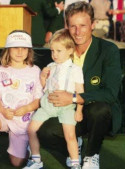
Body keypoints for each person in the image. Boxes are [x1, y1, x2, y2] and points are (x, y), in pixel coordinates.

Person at [37, 2, 122, 169]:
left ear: (93, 24)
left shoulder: (108, 50)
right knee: (44, 131)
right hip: (68, 113)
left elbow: (111, 93)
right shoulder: (61, 50)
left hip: (94, 110)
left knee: (100, 110)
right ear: (66, 26)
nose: (78, 32)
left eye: (83, 25)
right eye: (73, 26)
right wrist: (44, 77)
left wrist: (74, 97)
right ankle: (75, 145)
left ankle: (91, 155)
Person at [0, 30, 43, 169]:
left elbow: (39, 99)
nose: (20, 51)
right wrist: (2, 110)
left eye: (24, 48)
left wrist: (27, 108)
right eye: (15, 47)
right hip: (3, 113)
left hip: (24, 118)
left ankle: (26, 147)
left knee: (17, 163)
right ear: (8, 50)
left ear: (29, 50)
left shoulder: (35, 70)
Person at [23, 28, 84, 169]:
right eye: (52, 51)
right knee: (31, 129)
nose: (54, 55)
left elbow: (81, 93)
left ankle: (75, 163)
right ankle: (36, 160)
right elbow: (45, 88)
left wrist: (79, 110)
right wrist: (43, 77)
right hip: (48, 104)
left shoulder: (75, 69)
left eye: (58, 51)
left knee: (70, 135)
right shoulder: (50, 66)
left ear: (70, 50)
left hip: (67, 107)